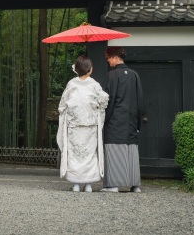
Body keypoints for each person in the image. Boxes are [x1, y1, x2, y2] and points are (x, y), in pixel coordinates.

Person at [56, 54, 109, 192]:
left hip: (74, 125)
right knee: (89, 154)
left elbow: (62, 105)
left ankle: (76, 184)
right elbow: (103, 101)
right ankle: (89, 184)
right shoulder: (94, 85)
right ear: (89, 69)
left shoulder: (71, 84)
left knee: (75, 153)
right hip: (90, 125)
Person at [101, 46, 145, 193]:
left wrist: (104, 119)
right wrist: (138, 122)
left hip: (115, 120)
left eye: (108, 58)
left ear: (114, 57)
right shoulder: (134, 75)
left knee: (114, 149)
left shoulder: (111, 76)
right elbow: (140, 101)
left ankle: (113, 185)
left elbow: (108, 100)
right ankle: (135, 185)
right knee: (131, 149)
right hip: (131, 120)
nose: (108, 61)